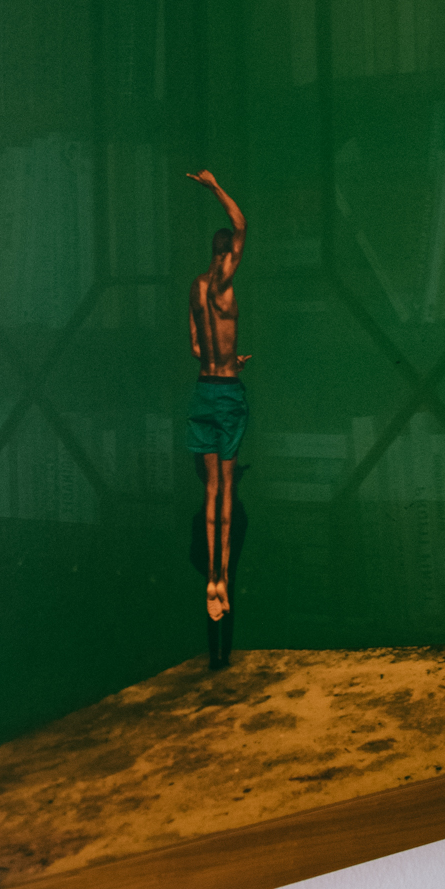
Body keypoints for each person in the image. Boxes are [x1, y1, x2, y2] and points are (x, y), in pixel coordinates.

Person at [186, 170, 250, 635]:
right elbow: (242, 223)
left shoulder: (195, 286)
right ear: (227, 253)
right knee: (227, 488)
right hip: (226, 394)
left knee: (208, 489)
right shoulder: (224, 282)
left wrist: (228, 358)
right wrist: (215, 187)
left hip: (203, 389)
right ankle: (221, 578)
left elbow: (196, 347)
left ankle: (209, 578)